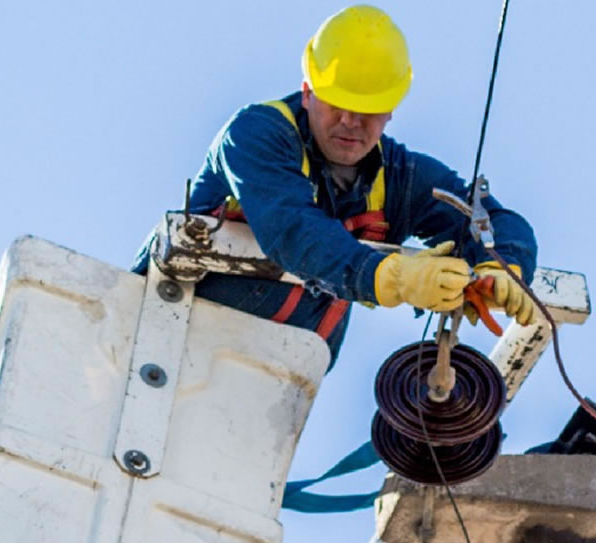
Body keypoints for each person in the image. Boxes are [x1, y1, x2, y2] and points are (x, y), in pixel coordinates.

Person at [133, 5, 537, 370]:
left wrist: (501, 267)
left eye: (367, 112)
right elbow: (291, 228)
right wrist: (390, 277)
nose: (350, 122)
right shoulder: (257, 135)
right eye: (336, 104)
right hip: (145, 340)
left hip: (269, 386)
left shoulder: (399, 179)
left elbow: (492, 218)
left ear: (390, 111)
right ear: (308, 93)